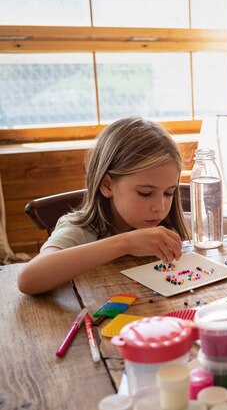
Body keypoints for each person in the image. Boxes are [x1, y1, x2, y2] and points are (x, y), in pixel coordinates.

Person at [18, 117, 190, 295]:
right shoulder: (82, 230)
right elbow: (27, 280)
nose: (160, 207)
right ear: (107, 185)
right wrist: (126, 243)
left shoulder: (167, 228)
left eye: (169, 192)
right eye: (145, 193)